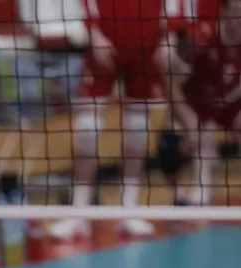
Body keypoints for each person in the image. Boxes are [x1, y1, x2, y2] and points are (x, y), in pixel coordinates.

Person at [49, 0, 165, 239]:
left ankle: (129, 210)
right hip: (105, 38)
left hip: (147, 42)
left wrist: (169, 34)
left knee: (138, 129)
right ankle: (78, 213)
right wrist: (93, 30)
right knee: (87, 129)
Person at [159, 0, 241, 206]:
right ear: (224, 11)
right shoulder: (200, 38)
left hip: (229, 100)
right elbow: (170, 80)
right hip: (197, 103)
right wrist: (188, 119)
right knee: (172, 145)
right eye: (238, 12)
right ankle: (195, 194)